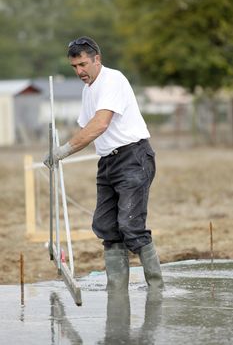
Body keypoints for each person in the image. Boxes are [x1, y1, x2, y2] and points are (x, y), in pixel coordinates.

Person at [44, 36, 164, 292]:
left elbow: (99, 124)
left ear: (97, 59)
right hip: (108, 162)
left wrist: (62, 151)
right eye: (74, 67)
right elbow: (85, 129)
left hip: (134, 158)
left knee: (131, 226)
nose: (79, 71)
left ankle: (156, 289)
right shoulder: (89, 91)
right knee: (106, 226)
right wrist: (58, 148)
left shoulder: (113, 80)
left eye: (83, 64)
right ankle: (116, 290)